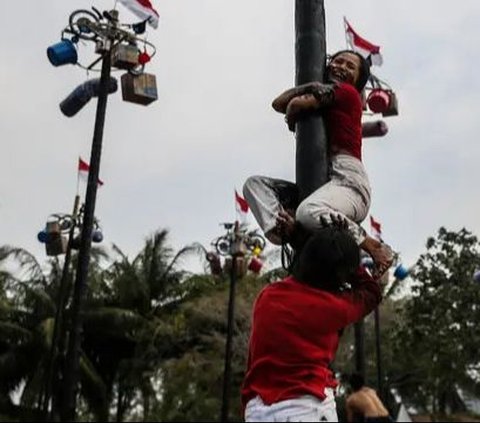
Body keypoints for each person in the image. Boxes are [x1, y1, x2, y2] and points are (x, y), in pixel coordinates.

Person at [243, 50, 393, 278]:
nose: (341, 67)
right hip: (325, 182)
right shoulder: (328, 91)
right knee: (254, 185)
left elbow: (294, 106)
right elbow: (279, 103)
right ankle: (287, 231)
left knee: (309, 212)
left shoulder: (347, 93)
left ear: (357, 81)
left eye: (350, 66)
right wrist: (310, 85)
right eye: (338, 61)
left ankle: (372, 245)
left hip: (348, 182)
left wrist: (296, 109)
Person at [241, 220, 383, 422]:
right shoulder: (332, 308)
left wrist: (311, 241)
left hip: (259, 409)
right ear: (340, 274)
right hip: (307, 407)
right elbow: (372, 293)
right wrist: (348, 254)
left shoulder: (268, 296)